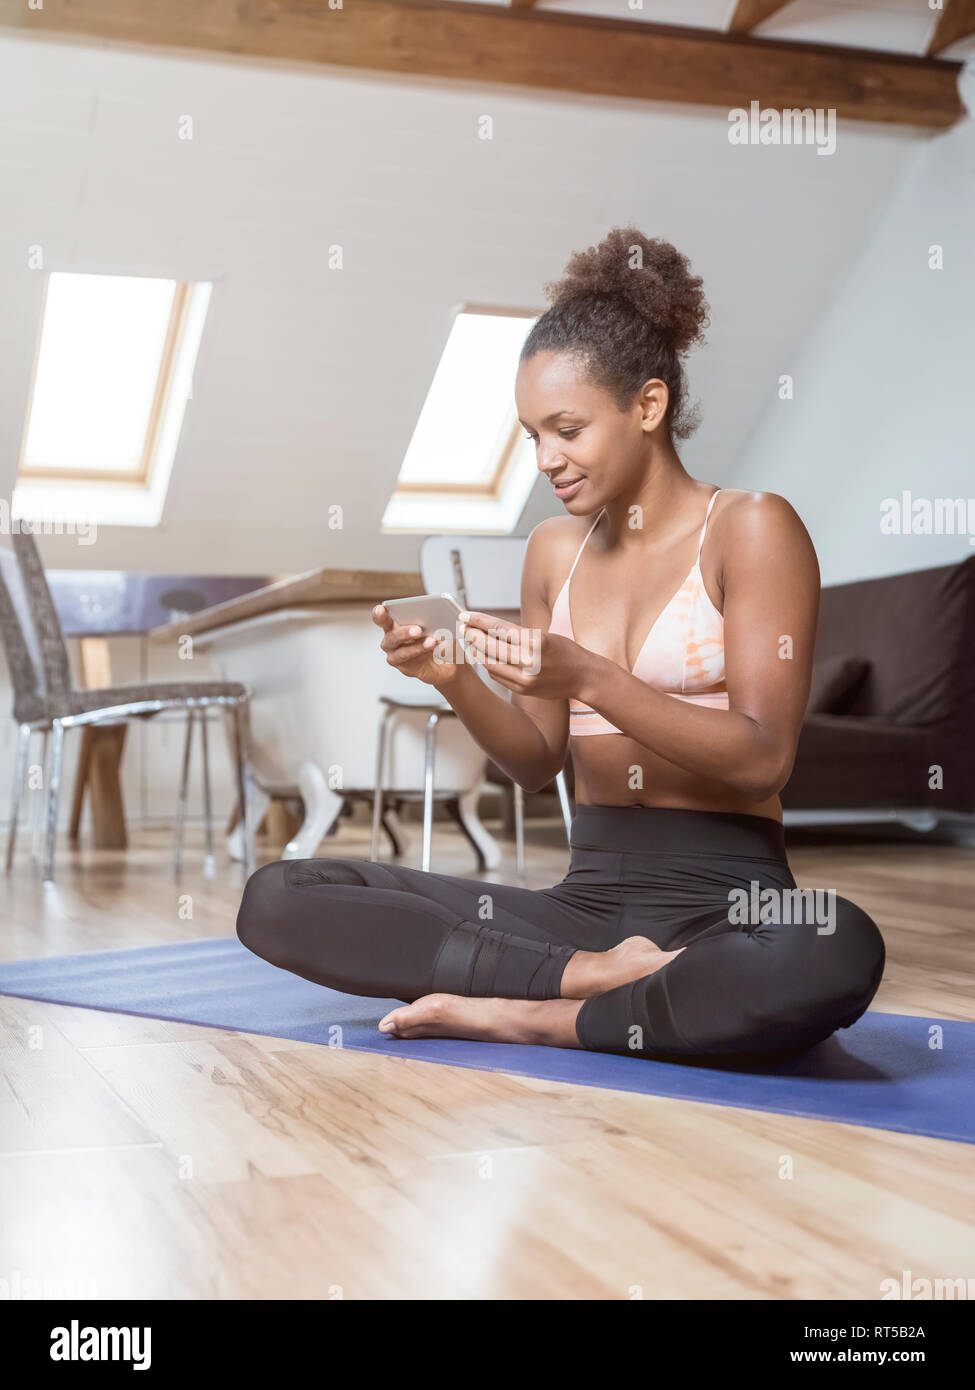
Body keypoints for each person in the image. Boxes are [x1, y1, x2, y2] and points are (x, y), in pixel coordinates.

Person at [236, 226, 885, 1064]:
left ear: (647, 407)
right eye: (532, 435)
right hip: (584, 909)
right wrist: (456, 679)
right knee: (282, 895)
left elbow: (763, 760)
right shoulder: (553, 551)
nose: (546, 458)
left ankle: (529, 1012)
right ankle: (586, 978)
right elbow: (536, 761)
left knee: (833, 944)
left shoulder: (751, 528)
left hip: (728, 907)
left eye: (567, 430)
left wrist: (590, 675)